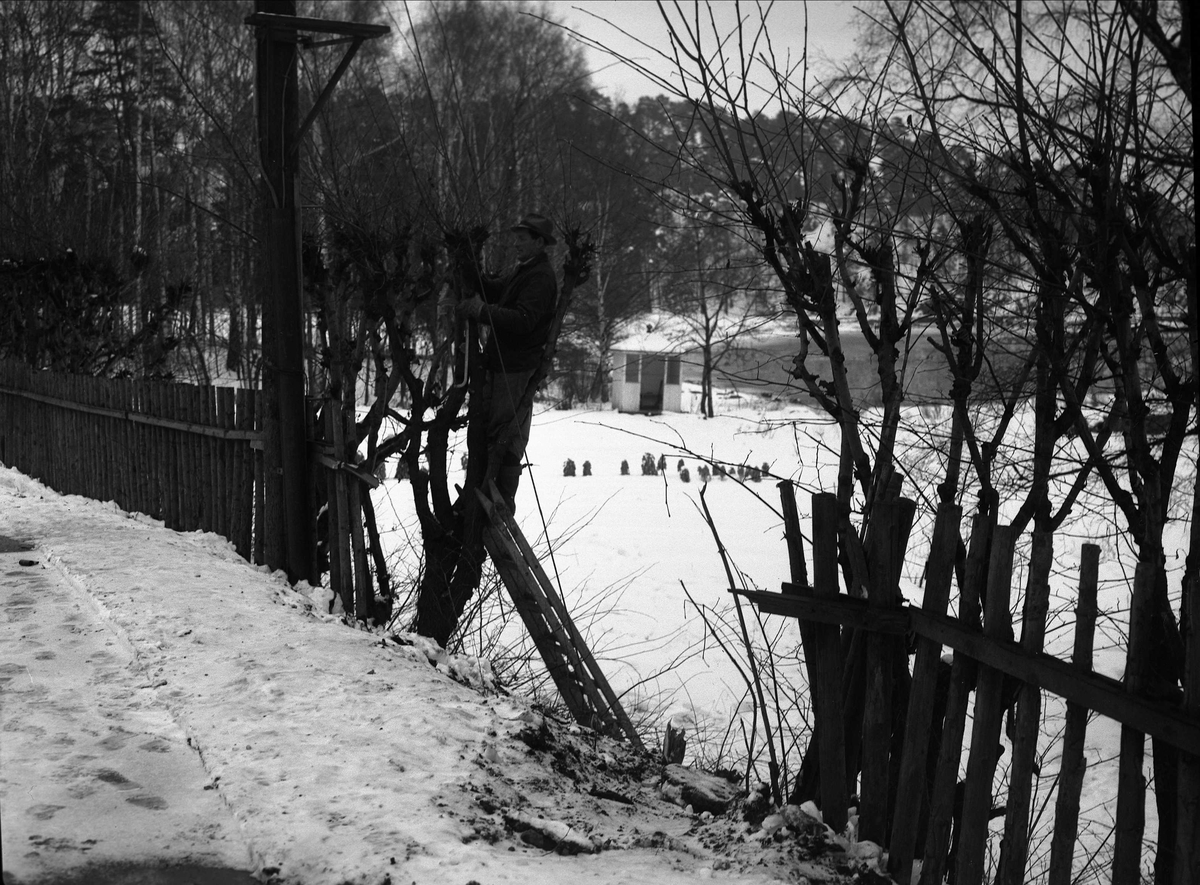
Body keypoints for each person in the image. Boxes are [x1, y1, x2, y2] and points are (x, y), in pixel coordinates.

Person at [456, 213, 559, 506]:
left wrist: (481, 311)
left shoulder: (540, 277)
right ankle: (487, 495)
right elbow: (496, 290)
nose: (515, 244)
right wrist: (471, 270)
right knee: (493, 431)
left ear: (539, 243)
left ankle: (499, 503)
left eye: (522, 239)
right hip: (502, 364)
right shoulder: (524, 270)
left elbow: (523, 320)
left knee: (505, 436)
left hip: (514, 367)